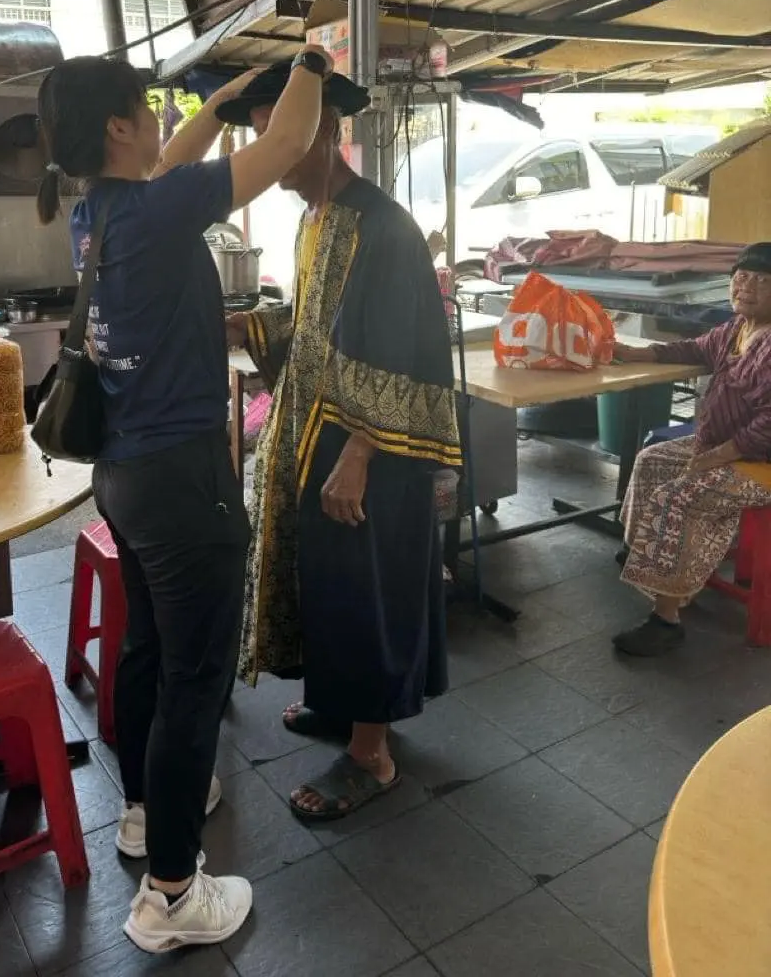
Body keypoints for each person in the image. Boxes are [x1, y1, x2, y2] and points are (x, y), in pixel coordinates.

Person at [35, 46, 333, 951]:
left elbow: (168, 165)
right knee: (194, 686)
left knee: (152, 646)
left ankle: (139, 813)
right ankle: (171, 894)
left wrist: (218, 105)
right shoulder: (156, 211)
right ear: (121, 124)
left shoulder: (101, 213)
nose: (164, 119)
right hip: (183, 482)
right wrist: (313, 62)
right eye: (149, 108)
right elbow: (285, 146)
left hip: (123, 477)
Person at [223, 59, 461, 822]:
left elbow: (409, 355)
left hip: (371, 452)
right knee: (328, 582)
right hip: (312, 435)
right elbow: (312, 330)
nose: (266, 156)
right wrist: (247, 327)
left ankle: (372, 752)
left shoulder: (383, 229)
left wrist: (359, 454)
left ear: (323, 131)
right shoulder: (311, 219)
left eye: (276, 138)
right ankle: (340, 702)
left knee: (368, 592)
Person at [612, 242, 771, 657]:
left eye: (761, 280)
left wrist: (716, 457)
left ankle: (666, 619)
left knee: (676, 498)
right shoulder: (737, 329)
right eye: (741, 277)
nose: (746, 286)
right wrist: (632, 353)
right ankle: (650, 556)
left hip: (759, 463)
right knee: (652, 461)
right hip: (720, 444)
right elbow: (694, 349)